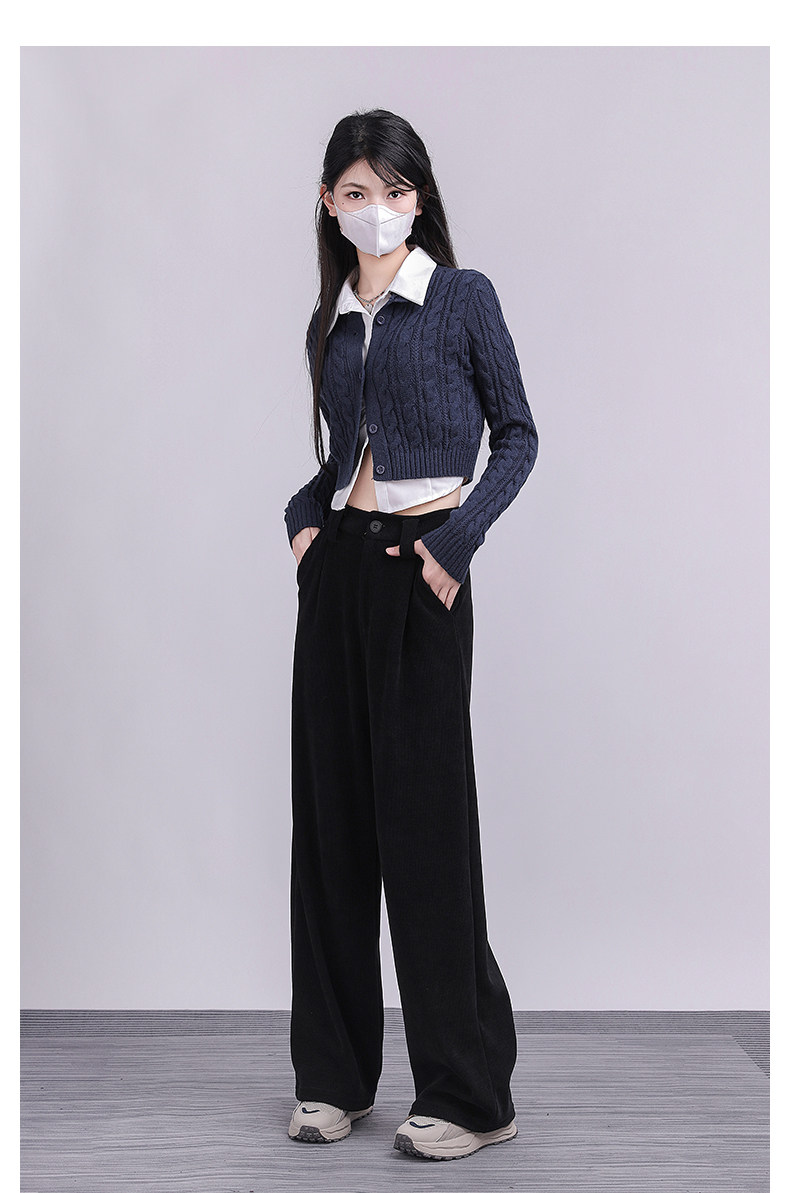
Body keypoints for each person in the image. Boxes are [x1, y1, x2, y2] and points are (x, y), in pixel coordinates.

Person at [284, 108, 538, 1162]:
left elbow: (517, 435)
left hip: (422, 571)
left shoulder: (462, 297)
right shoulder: (330, 318)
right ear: (329, 204)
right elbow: (343, 455)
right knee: (331, 830)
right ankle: (332, 1079)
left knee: (427, 836)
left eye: (392, 189)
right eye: (355, 191)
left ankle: (471, 1093)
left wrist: (455, 544)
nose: (376, 207)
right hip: (339, 572)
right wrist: (302, 519)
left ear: (418, 197)